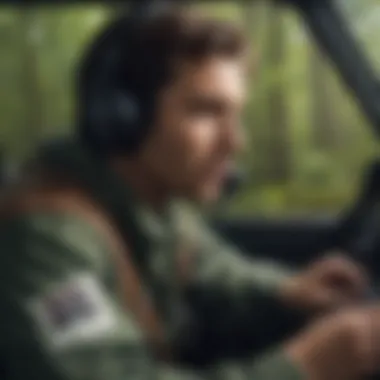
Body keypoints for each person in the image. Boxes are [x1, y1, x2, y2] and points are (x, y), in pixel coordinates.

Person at [1, 8, 379, 380]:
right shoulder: (46, 244)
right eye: (206, 112)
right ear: (123, 115)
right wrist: (306, 365)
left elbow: (217, 271)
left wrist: (290, 291)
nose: (236, 143)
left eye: (235, 114)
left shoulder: (157, 206)